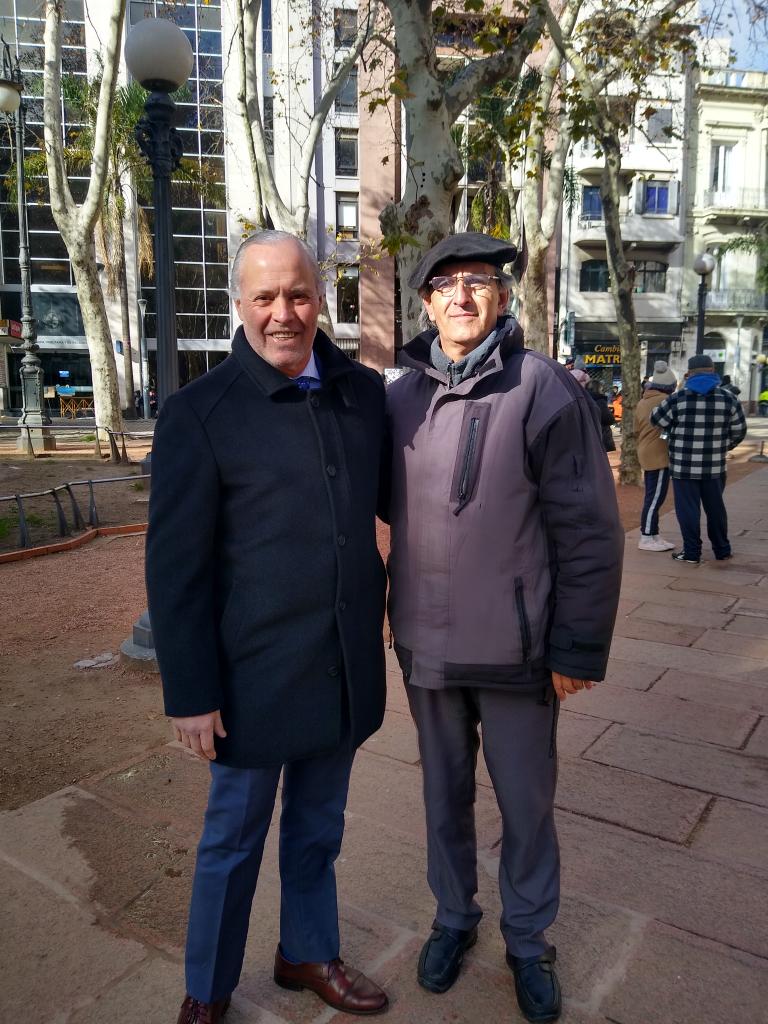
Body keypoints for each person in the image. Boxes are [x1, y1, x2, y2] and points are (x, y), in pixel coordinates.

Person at [146, 230, 389, 1024]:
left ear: (320, 298)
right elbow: (176, 568)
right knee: (231, 845)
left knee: (317, 831)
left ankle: (305, 952)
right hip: (248, 682)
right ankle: (208, 990)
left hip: (342, 668)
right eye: (264, 297)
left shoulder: (362, 394)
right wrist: (189, 692)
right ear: (239, 305)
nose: (283, 313)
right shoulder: (199, 412)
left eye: (298, 294)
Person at [383, 232, 624, 1024]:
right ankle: (455, 918)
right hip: (427, 646)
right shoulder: (399, 399)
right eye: (445, 284)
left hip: (519, 651)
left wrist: (577, 645)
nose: (462, 295)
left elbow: (589, 529)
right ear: (425, 303)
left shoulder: (544, 389)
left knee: (526, 804)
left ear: (501, 297)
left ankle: (528, 939)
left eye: (479, 282)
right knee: (442, 798)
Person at [650, 353, 747, 564]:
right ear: (713, 371)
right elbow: (739, 430)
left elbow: (656, 419)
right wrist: (723, 446)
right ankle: (722, 549)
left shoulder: (677, 398)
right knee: (716, 509)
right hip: (714, 467)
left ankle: (692, 552)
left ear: (689, 374)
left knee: (688, 510)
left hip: (683, 467)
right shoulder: (728, 398)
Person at [634, 361, 677, 552]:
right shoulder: (665, 402)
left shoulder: (643, 401)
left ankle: (654, 534)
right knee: (655, 498)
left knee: (653, 496)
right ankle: (646, 536)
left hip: (645, 450)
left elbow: (636, 429)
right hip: (658, 454)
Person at [585, 377, 616, 452]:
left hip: (588, 438)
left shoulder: (583, 401)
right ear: (598, 389)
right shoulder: (600, 402)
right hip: (602, 438)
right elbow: (609, 419)